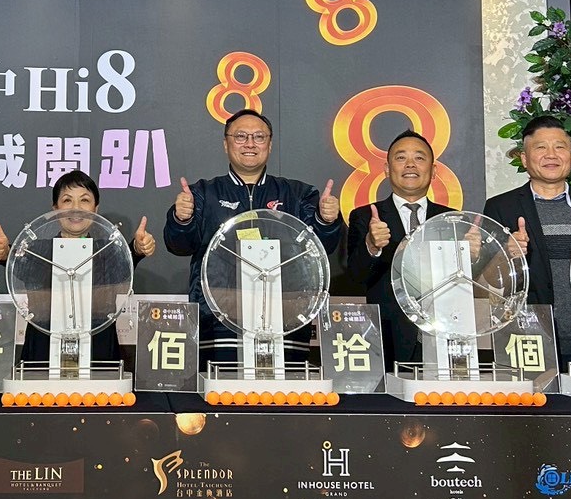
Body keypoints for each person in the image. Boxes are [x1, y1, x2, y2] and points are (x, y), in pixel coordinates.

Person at [163, 108, 343, 361]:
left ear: (270, 144)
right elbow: (179, 245)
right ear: (226, 144)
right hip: (218, 323)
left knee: (284, 386)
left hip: (285, 323)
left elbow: (321, 249)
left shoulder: (298, 193)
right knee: (220, 385)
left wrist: (326, 220)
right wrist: (182, 219)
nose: (250, 143)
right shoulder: (203, 193)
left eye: (259, 137)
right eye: (240, 136)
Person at [482, 114, 571, 368]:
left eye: (559, 147)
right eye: (541, 147)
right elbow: (490, 280)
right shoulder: (501, 208)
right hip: (530, 340)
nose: (551, 155)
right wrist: (506, 255)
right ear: (524, 159)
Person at [18, 169, 156, 368]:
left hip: (99, 352)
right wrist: (3, 253)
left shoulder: (108, 250)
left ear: (95, 209)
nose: (76, 208)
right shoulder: (36, 250)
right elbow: (17, 262)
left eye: (84, 200)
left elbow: (126, 259)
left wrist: (137, 247)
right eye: (67, 200)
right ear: (55, 209)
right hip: (41, 353)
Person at [344, 130, 453, 366]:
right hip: (387, 340)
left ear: (434, 170)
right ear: (386, 169)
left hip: (442, 337)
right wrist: (371, 245)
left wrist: (473, 256)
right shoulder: (365, 216)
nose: (410, 164)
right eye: (401, 157)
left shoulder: (451, 220)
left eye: (419, 158)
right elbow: (355, 276)